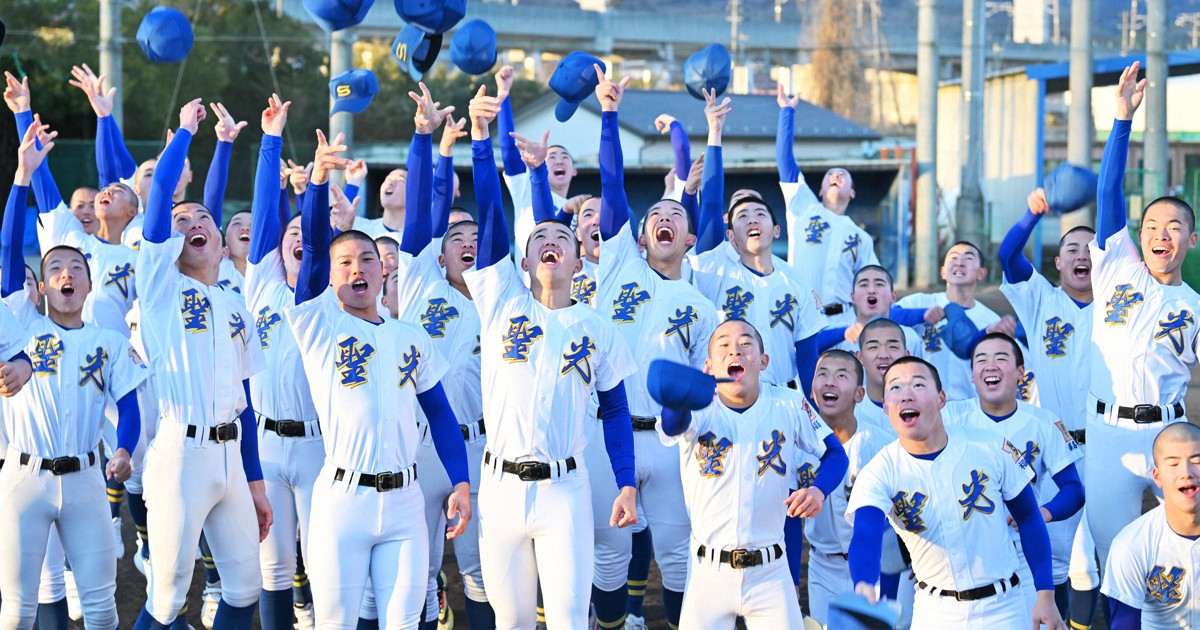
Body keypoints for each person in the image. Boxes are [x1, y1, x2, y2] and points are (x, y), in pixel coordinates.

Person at [288, 93, 472, 626]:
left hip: (406, 501)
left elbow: (439, 413)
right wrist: (318, 181)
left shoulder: (410, 336)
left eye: (368, 258)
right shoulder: (318, 324)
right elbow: (315, 248)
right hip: (343, 500)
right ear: (331, 276)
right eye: (345, 262)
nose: (357, 269)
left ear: (384, 269)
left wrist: (460, 480)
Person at [465, 83, 639, 629]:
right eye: (538, 237)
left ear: (577, 262)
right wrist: (480, 140)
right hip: (499, 487)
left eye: (561, 238)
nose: (549, 241)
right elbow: (490, 212)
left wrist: (627, 480)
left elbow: (615, 409)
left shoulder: (596, 326)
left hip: (566, 489)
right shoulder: (501, 302)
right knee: (513, 621)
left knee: (567, 619)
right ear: (521, 262)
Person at [573, 67, 720, 630]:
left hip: (670, 442)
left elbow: (708, 384)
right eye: (656, 214)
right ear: (638, 236)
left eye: (675, 215)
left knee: (680, 558)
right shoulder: (619, 266)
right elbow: (612, 185)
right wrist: (609, 116)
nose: (664, 218)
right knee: (610, 557)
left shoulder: (702, 306)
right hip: (608, 435)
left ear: (689, 239)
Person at [132, 98, 269, 630]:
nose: (192, 222)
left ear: (219, 242)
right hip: (181, 454)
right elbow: (161, 194)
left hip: (232, 456)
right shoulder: (160, 288)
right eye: (181, 220)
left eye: (203, 218)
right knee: (167, 598)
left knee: (245, 589)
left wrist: (255, 482)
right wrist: (185, 135)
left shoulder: (237, 305)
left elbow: (246, 403)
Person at [846, 357, 1066, 629]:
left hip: (1005, 608)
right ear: (885, 406)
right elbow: (866, 533)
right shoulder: (879, 471)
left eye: (918, 384)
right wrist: (864, 584)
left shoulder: (991, 446)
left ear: (941, 399)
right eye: (895, 388)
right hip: (935, 612)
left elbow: (1029, 518)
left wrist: (1045, 594)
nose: (906, 395)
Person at [1, 124, 118, 630]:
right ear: (41, 286)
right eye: (54, 269)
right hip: (25, 478)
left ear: (90, 284)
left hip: (88, 478)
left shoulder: (105, 340)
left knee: (101, 609)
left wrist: (125, 448)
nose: (66, 273)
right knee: (17, 609)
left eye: (76, 266)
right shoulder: (20, 324)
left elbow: (129, 405)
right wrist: (21, 178)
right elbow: (9, 249)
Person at [655, 319, 848, 627]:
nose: (735, 350)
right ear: (709, 365)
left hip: (770, 573)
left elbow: (836, 454)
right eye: (724, 345)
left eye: (746, 343)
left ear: (763, 361)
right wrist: (676, 401)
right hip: (708, 573)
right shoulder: (698, 407)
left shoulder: (788, 404)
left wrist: (818, 489)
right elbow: (672, 425)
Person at [387, 88, 496, 629]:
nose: (468, 241)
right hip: (421, 445)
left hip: (480, 446)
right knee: (421, 570)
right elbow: (419, 212)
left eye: (477, 235)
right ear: (439, 251)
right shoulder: (419, 284)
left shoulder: (504, 301)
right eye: (457, 236)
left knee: (480, 569)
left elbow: (497, 210)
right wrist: (428, 140)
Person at [1086, 61, 1200, 565]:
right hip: (1108, 436)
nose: (1161, 234)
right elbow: (1108, 192)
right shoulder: (1117, 267)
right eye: (1152, 225)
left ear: (1191, 240)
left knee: (1187, 551)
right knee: (1115, 557)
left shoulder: (1194, 307)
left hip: (1169, 435)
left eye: (1174, 227)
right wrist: (1122, 118)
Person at [997, 186, 1100, 626]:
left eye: (1090, 249)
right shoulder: (1040, 298)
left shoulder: (1117, 307)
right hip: (1053, 448)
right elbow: (1007, 255)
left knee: (1093, 556)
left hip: (1106, 443)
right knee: (1056, 554)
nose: (1081, 255)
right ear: (1057, 262)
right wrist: (1031, 214)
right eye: (1071, 249)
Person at [689, 89, 823, 394]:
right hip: (725, 395)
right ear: (729, 234)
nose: (752, 219)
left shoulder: (795, 284)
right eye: (742, 216)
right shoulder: (715, 266)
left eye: (760, 214)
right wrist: (714, 132)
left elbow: (808, 360)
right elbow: (711, 203)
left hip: (782, 397)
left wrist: (813, 412)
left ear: (776, 230)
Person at [943, 333, 1085, 615]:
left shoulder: (1043, 422)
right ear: (972, 375)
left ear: (1021, 373)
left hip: (1022, 550)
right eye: (981, 359)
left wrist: (1043, 513)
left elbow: (1073, 489)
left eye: (1001, 358)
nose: (990, 365)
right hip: (965, 551)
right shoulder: (949, 416)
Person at [775, 83, 879, 325]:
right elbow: (785, 161)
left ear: (852, 192)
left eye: (842, 175)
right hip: (803, 318)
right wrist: (786, 112)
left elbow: (874, 284)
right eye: (830, 174)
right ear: (820, 190)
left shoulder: (861, 238)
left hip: (843, 321)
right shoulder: (804, 207)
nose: (835, 176)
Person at [801, 350, 890, 624]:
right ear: (812, 389)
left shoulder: (883, 445)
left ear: (860, 394)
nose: (830, 381)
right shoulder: (795, 443)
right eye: (822, 374)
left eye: (841, 376)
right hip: (822, 567)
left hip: (877, 566)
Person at [1102, 421, 1200, 629]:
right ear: (1157, 476)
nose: (1186, 472)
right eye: (1173, 464)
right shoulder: (1131, 545)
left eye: (1197, 461)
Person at [896, 242, 1010, 400]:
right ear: (943, 272)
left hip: (970, 404)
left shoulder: (991, 320)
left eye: (968, 258)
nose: (959, 262)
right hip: (926, 403)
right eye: (953, 257)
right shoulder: (920, 302)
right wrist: (922, 315)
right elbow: (886, 314)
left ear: (981, 273)